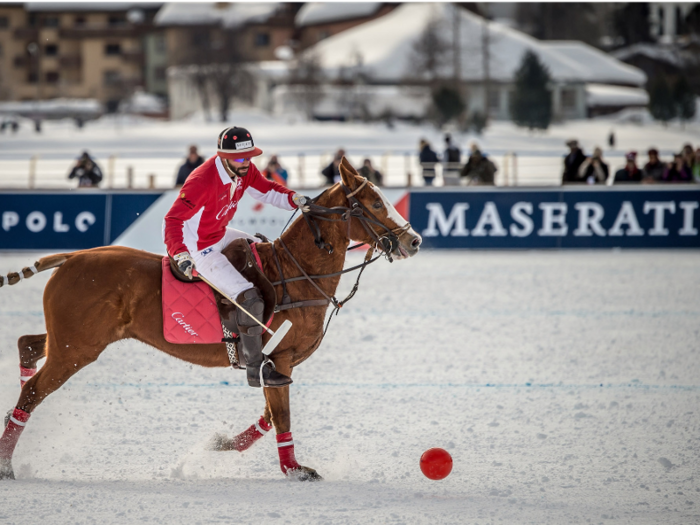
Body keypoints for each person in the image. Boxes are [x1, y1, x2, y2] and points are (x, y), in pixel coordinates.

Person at [163, 126, 309, 388]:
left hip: (219, 234)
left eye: (250, 157)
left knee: (266, 253)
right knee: (249, 297)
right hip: (199, 248)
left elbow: (266, 190)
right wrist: (181, 254)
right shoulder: (201, 180)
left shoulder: (243, 169)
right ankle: (255, 367)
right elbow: (173, 219)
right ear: (223, 157)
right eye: (241, 158)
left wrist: (294, 199)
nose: (247, 163)